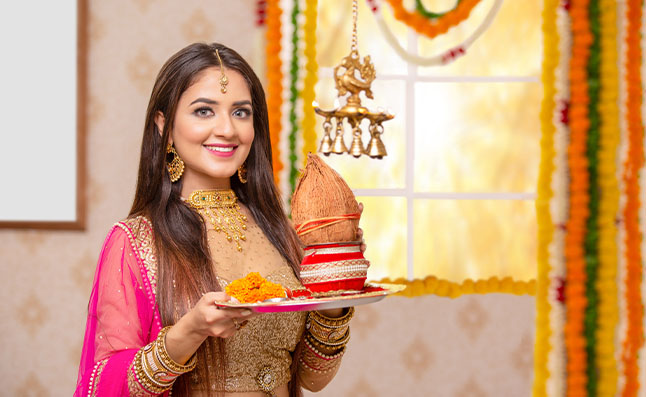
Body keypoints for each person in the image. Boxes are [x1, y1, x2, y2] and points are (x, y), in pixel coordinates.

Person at [75, 42, 358, 397]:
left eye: (241, 113)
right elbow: (103, 386)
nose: (227, 129)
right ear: (164, 126)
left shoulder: (282, 233)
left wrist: (337, 295)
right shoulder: (137, 240)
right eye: (204, 111)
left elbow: (312, 379)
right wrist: (190, 331)